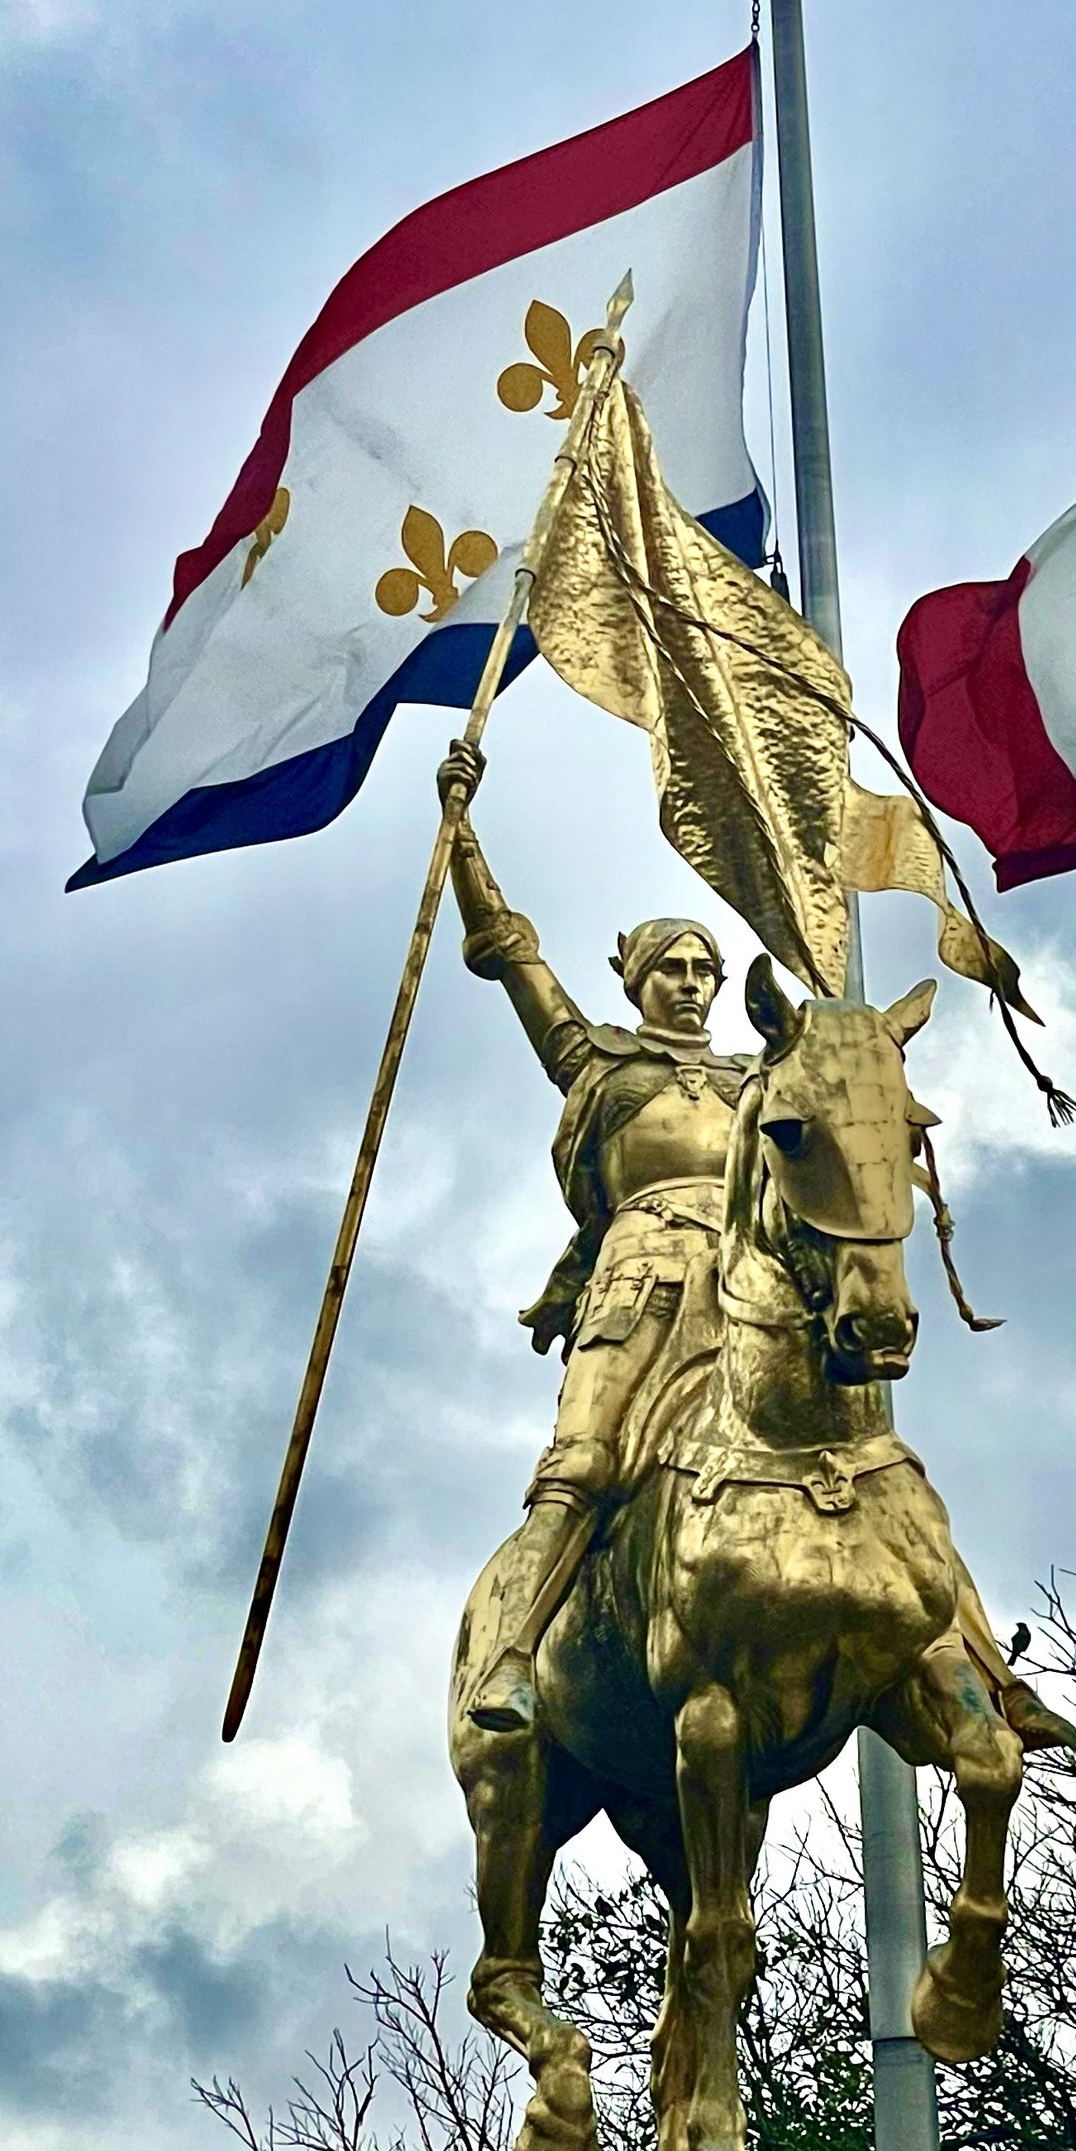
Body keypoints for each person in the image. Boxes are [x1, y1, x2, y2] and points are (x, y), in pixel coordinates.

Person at [439, 741, 751, 1733]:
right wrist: (462, 833)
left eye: (706, 968)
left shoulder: (755, 1080)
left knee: (858, 1441)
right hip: (640, 1278)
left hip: (749, 1284)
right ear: (639, 980)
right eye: (673, 967)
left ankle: (976, 1663)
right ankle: (514, 1652)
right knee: (580, 1460)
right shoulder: (598, 1064)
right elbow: (510, 952)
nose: (693, 983)